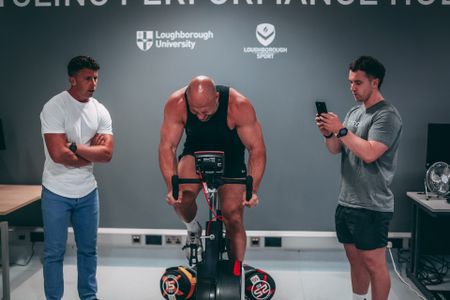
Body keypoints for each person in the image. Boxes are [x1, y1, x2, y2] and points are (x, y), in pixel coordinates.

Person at [315, 56, 402, 300]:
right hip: (347, 201)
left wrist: (341, 130)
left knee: (375, 265)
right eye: (350, 82)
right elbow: (336, 150)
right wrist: (329, 134)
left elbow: (370, 154)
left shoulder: (387, 116)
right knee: (355, 262)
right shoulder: (354, 111)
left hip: (372, 205)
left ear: (375, 82)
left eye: (358, 82)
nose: (352, 87)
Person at [159, 75, 266, 263]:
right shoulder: (177, 103)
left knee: (232, 216)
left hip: (231, 157)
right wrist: (171, 187)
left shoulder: (239, 105)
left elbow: (256, 148)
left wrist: (253, 190)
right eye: (195, 112)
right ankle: (192, 228)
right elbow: (168, 146)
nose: (200, 117)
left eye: (205, 112)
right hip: (195, 153)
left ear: (217, 97)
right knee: (181, 199)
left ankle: (235, 273)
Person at [40, 55, 114, 300]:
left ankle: (89, 297)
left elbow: (107, 155)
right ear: (72, 79)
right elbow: (58, 154)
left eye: (95, 78)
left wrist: (75, 147)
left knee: (88, 251)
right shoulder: (54, 107)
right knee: (53, 253)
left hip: (87, 192)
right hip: (56, 191)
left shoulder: (100, 110)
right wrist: (89, 151)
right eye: (87, 78)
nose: (93, 83)